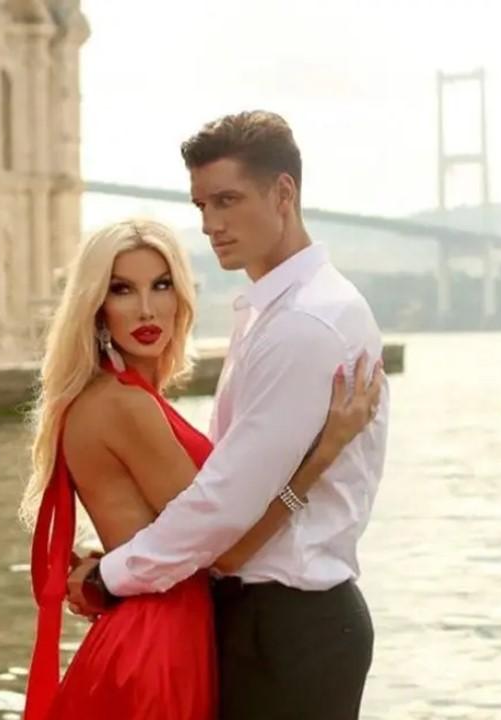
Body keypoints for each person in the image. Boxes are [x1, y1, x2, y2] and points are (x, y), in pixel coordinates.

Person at [69, 111, 391, 720]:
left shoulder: (302, 324)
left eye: (227, 200)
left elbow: (222, 516)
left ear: (284, 193)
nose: (212, 225)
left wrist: (110, 575)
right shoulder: (270, 312)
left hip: (287, 624)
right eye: (201, 207)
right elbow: (219, 495)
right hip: (262, 620)